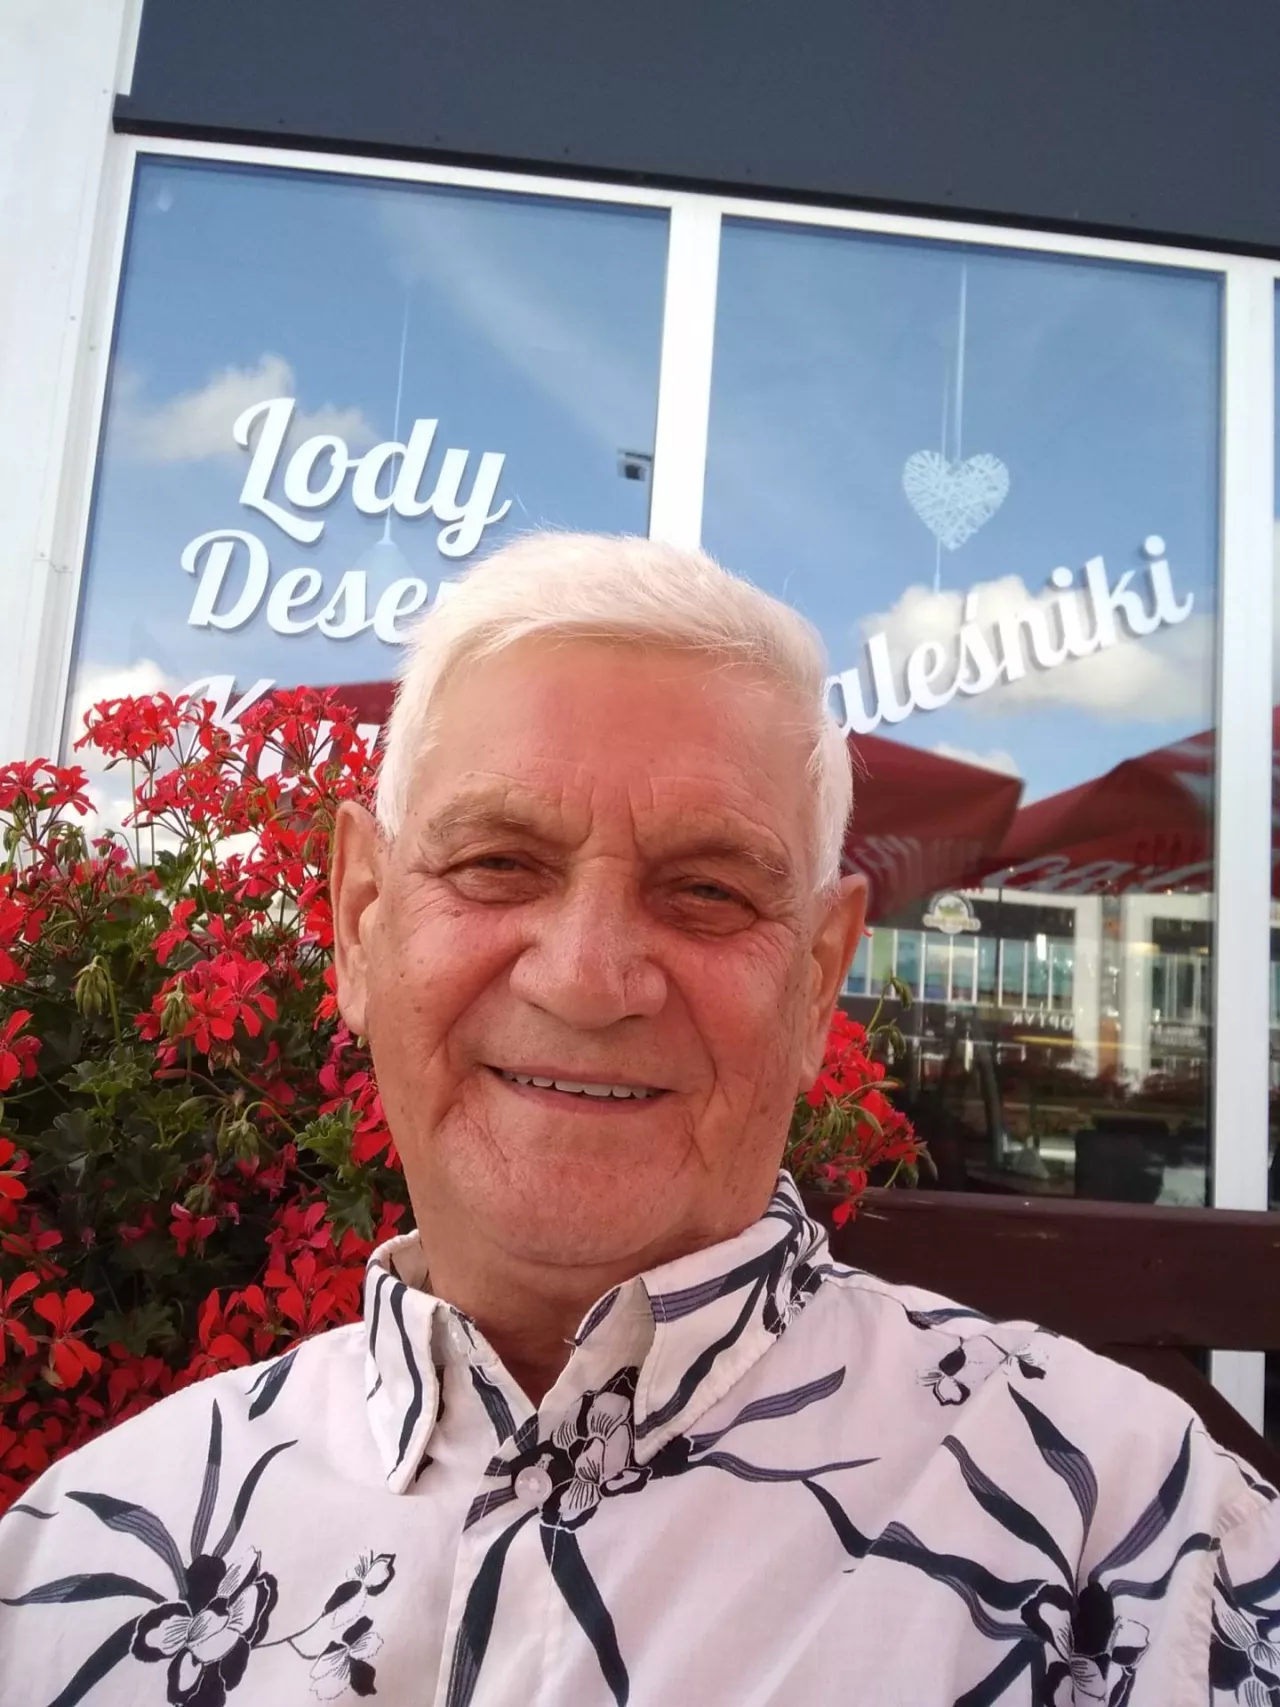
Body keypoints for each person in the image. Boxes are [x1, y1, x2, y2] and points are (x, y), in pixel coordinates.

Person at [0, 532, 1276, 1707]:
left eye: (707, 890)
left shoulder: (1133, 1546)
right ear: (358, 920)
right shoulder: (73, 1567)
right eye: (497, 863)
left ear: (815, 980)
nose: (587, 978)